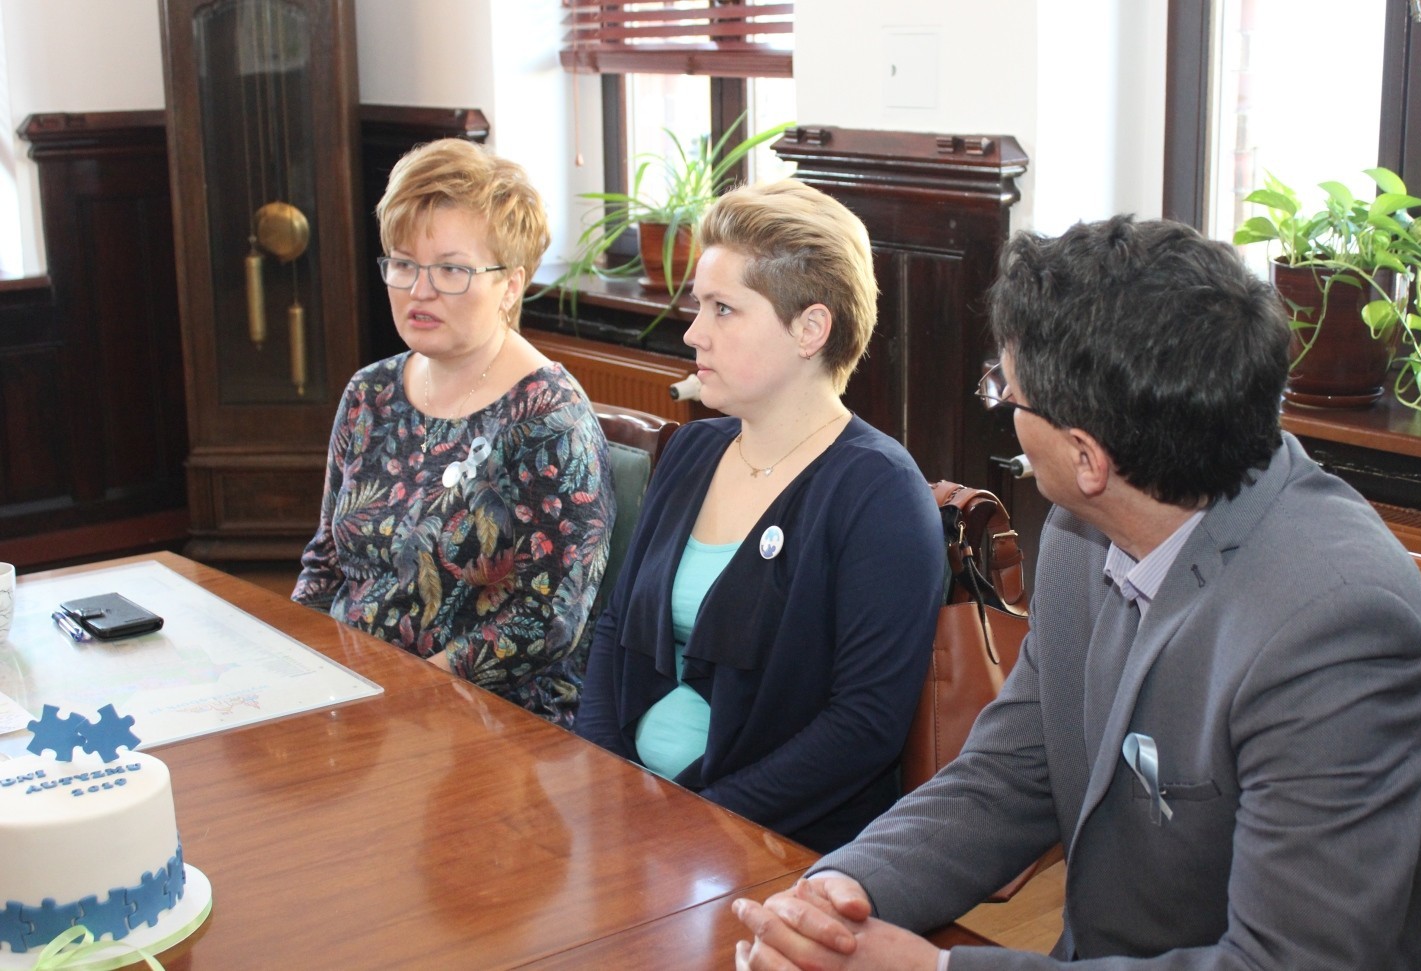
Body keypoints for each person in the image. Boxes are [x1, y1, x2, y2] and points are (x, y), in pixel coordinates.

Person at [732, 215, 1421, 968]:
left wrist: (935, 968)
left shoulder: (1337, 627)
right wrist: (842, 891)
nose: (1005, 411)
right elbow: (1012, 771)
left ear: (1087, 457)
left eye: (1008, 394)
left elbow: (1287, 963)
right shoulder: (1086, 530)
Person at [575, 179, 946, 853]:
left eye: (723, 310)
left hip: (772, 847)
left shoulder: (879, 493)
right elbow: (613, 627)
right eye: (698, 306)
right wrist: (605, 778)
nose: (694, 333)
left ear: (810, 329)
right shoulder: (692, 449)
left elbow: (862, 726)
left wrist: (698, 821)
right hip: (632, 819)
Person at [292, 139, 614, 727]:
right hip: (355, 696)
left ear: (511, 284)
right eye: (403, 263)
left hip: (488, 717)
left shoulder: (549, 418)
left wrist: (407, 692)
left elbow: (549, 619)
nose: (419, 289)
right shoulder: (369, 392)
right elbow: (325, 563)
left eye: (451, 270)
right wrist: (296, 662)